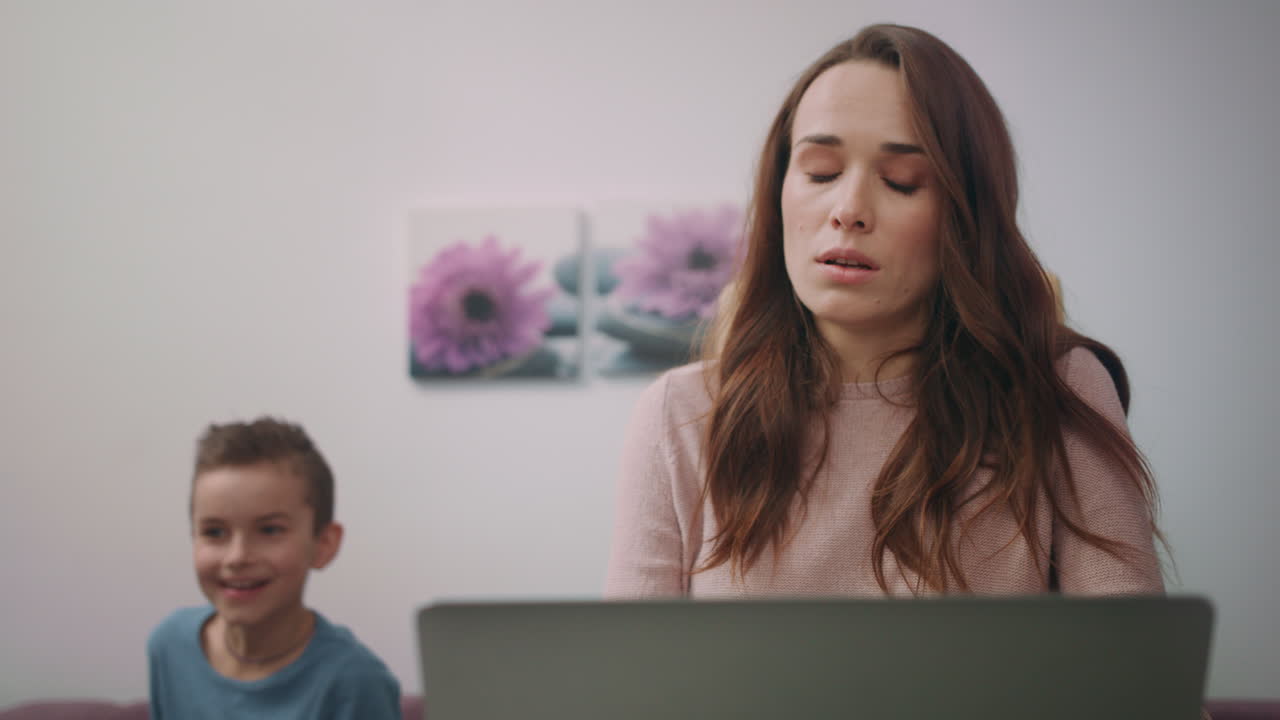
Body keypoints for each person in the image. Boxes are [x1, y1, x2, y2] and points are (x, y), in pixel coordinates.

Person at [605, 24, 1163, 598]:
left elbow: (1131, 668)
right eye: (820, 172)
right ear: (779, 192)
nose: (848, 210)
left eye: (900, 182)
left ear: (966, 217)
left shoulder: (1058, 392)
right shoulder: (681, 416)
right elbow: (632, 678)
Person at [147, 417, 400, 718]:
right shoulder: (169, 646)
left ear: (323, 544)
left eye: (269, 530)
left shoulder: (355, 682)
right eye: (214, 532)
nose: (237, 557)